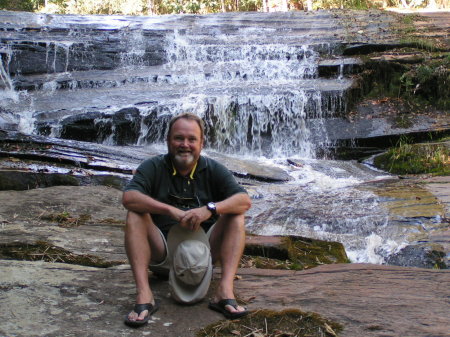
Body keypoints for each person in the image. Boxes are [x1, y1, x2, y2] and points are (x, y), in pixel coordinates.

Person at [122, 113, 252, 327]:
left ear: (202, 143)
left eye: (192, 139)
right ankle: (145, 295)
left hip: (203, 257)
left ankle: (224, 291)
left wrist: (210, 209)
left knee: (236, 215)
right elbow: (129, 198)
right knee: (135, 213)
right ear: (168, 141)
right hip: (162, 255)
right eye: (178, 138)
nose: (185, 145)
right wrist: (169, 210)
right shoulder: (152, 167)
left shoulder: (213, 169)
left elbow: (244, 201)